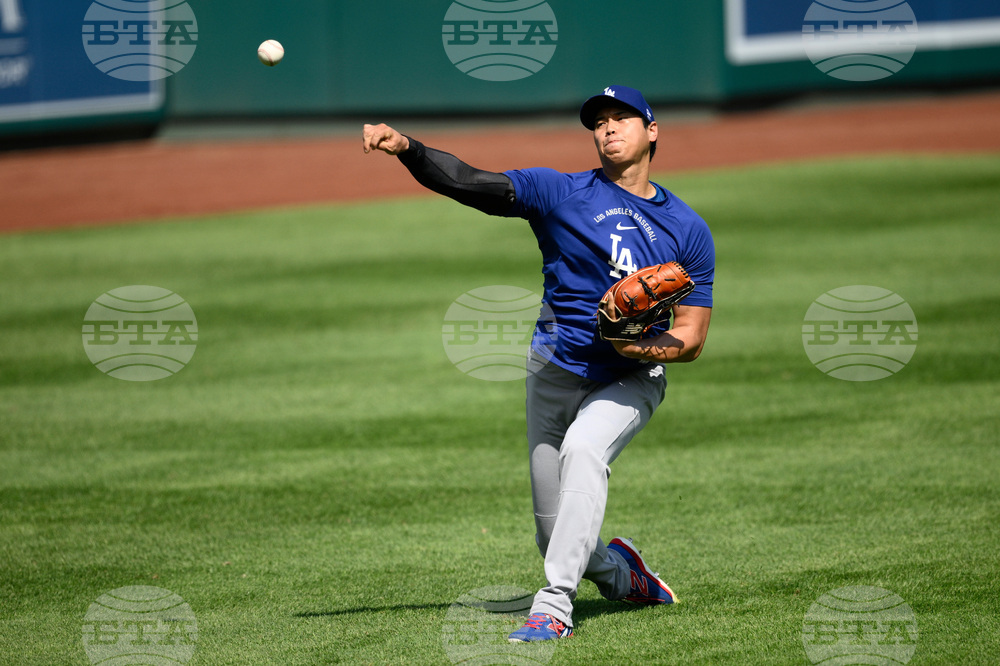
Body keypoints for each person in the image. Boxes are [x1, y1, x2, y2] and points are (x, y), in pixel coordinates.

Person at [362, 85, 714, 642]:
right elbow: (472, 183)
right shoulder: (560, 192)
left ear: (652, 131)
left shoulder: (687, 229)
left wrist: (636, 349)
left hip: (630, 378)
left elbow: (691, 337)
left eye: (623, 117)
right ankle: (626, 576)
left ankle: (553, 608)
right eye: (598, 121)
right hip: (553, 368)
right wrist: (408, 147)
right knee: (552, 534)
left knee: (584, 451)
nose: (608, 128)